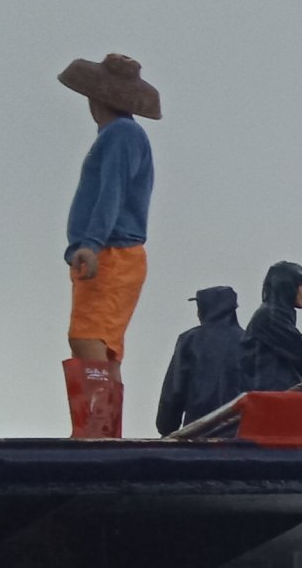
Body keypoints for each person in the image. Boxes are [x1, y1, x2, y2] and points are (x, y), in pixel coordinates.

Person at [58, 53, 159, 438]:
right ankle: (104, 430)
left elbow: (111, 191)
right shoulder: (125, 135)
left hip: (111, 251)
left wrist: (92, 243)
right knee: (106, 345)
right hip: (120, 253)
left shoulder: (120, 134)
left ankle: (96, 429)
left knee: (87, 336)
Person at [154, 285, 249, 436]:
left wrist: (166, 427)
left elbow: (174, 392)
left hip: (197, 435)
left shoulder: (189, 340)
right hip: (239, 435)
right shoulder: (249, 342)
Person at [241, 261, 302, 392]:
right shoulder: (269, 316)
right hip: (272, 392)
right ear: (287, 286)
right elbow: (299, 348)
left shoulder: (276, 315)